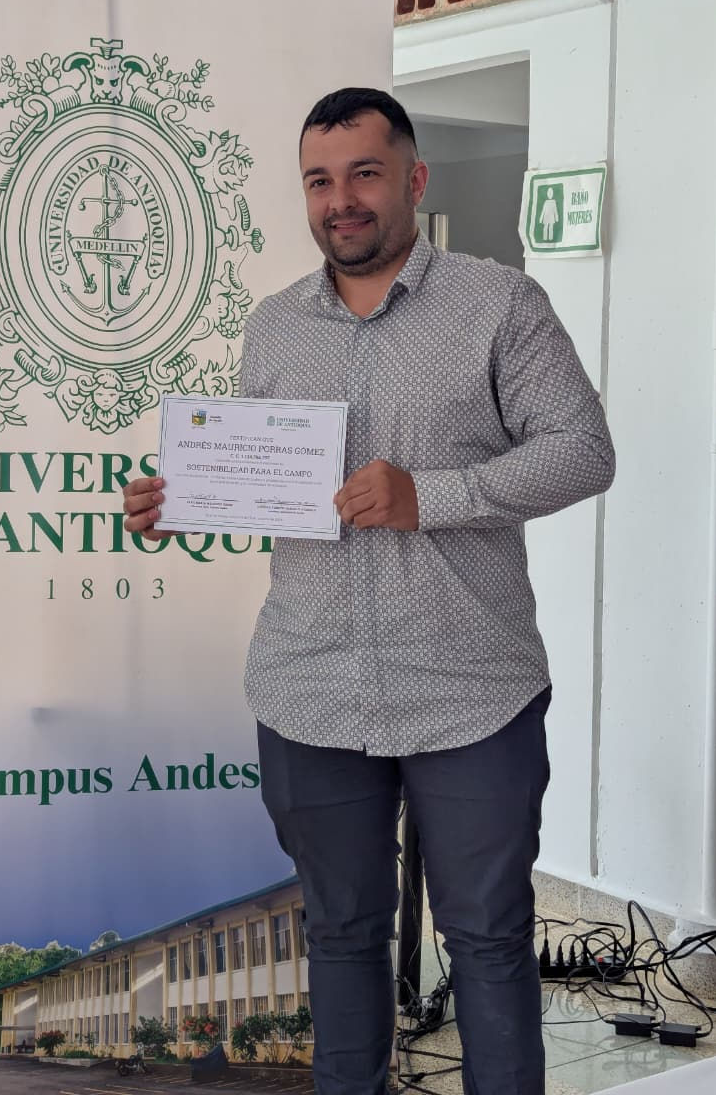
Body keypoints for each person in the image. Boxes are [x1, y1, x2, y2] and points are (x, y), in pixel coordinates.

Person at [122, 88, 615, 1095]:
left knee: (487, 935)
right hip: (310, 686)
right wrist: (186, 500)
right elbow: (267, 476)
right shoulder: (273, 328)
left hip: (469, 688)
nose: (340, 199)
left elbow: (582, 450)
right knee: (340, 931)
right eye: (319, 180)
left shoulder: (500, 305)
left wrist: (430, 495)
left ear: (413, 179)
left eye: (363, 174)